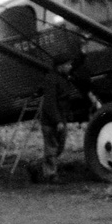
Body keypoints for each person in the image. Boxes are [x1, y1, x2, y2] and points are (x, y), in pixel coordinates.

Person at [36, 54, 71, 182]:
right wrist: (57, 121)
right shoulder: (51, 79)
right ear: (60, 66)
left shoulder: (61, 78)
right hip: (51, 121)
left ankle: (41, 169)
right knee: (51, 147)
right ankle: (51, 175)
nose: (70, 66)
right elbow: (49, 103)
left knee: (59, 147)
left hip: (60, 119)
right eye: (67, 64)